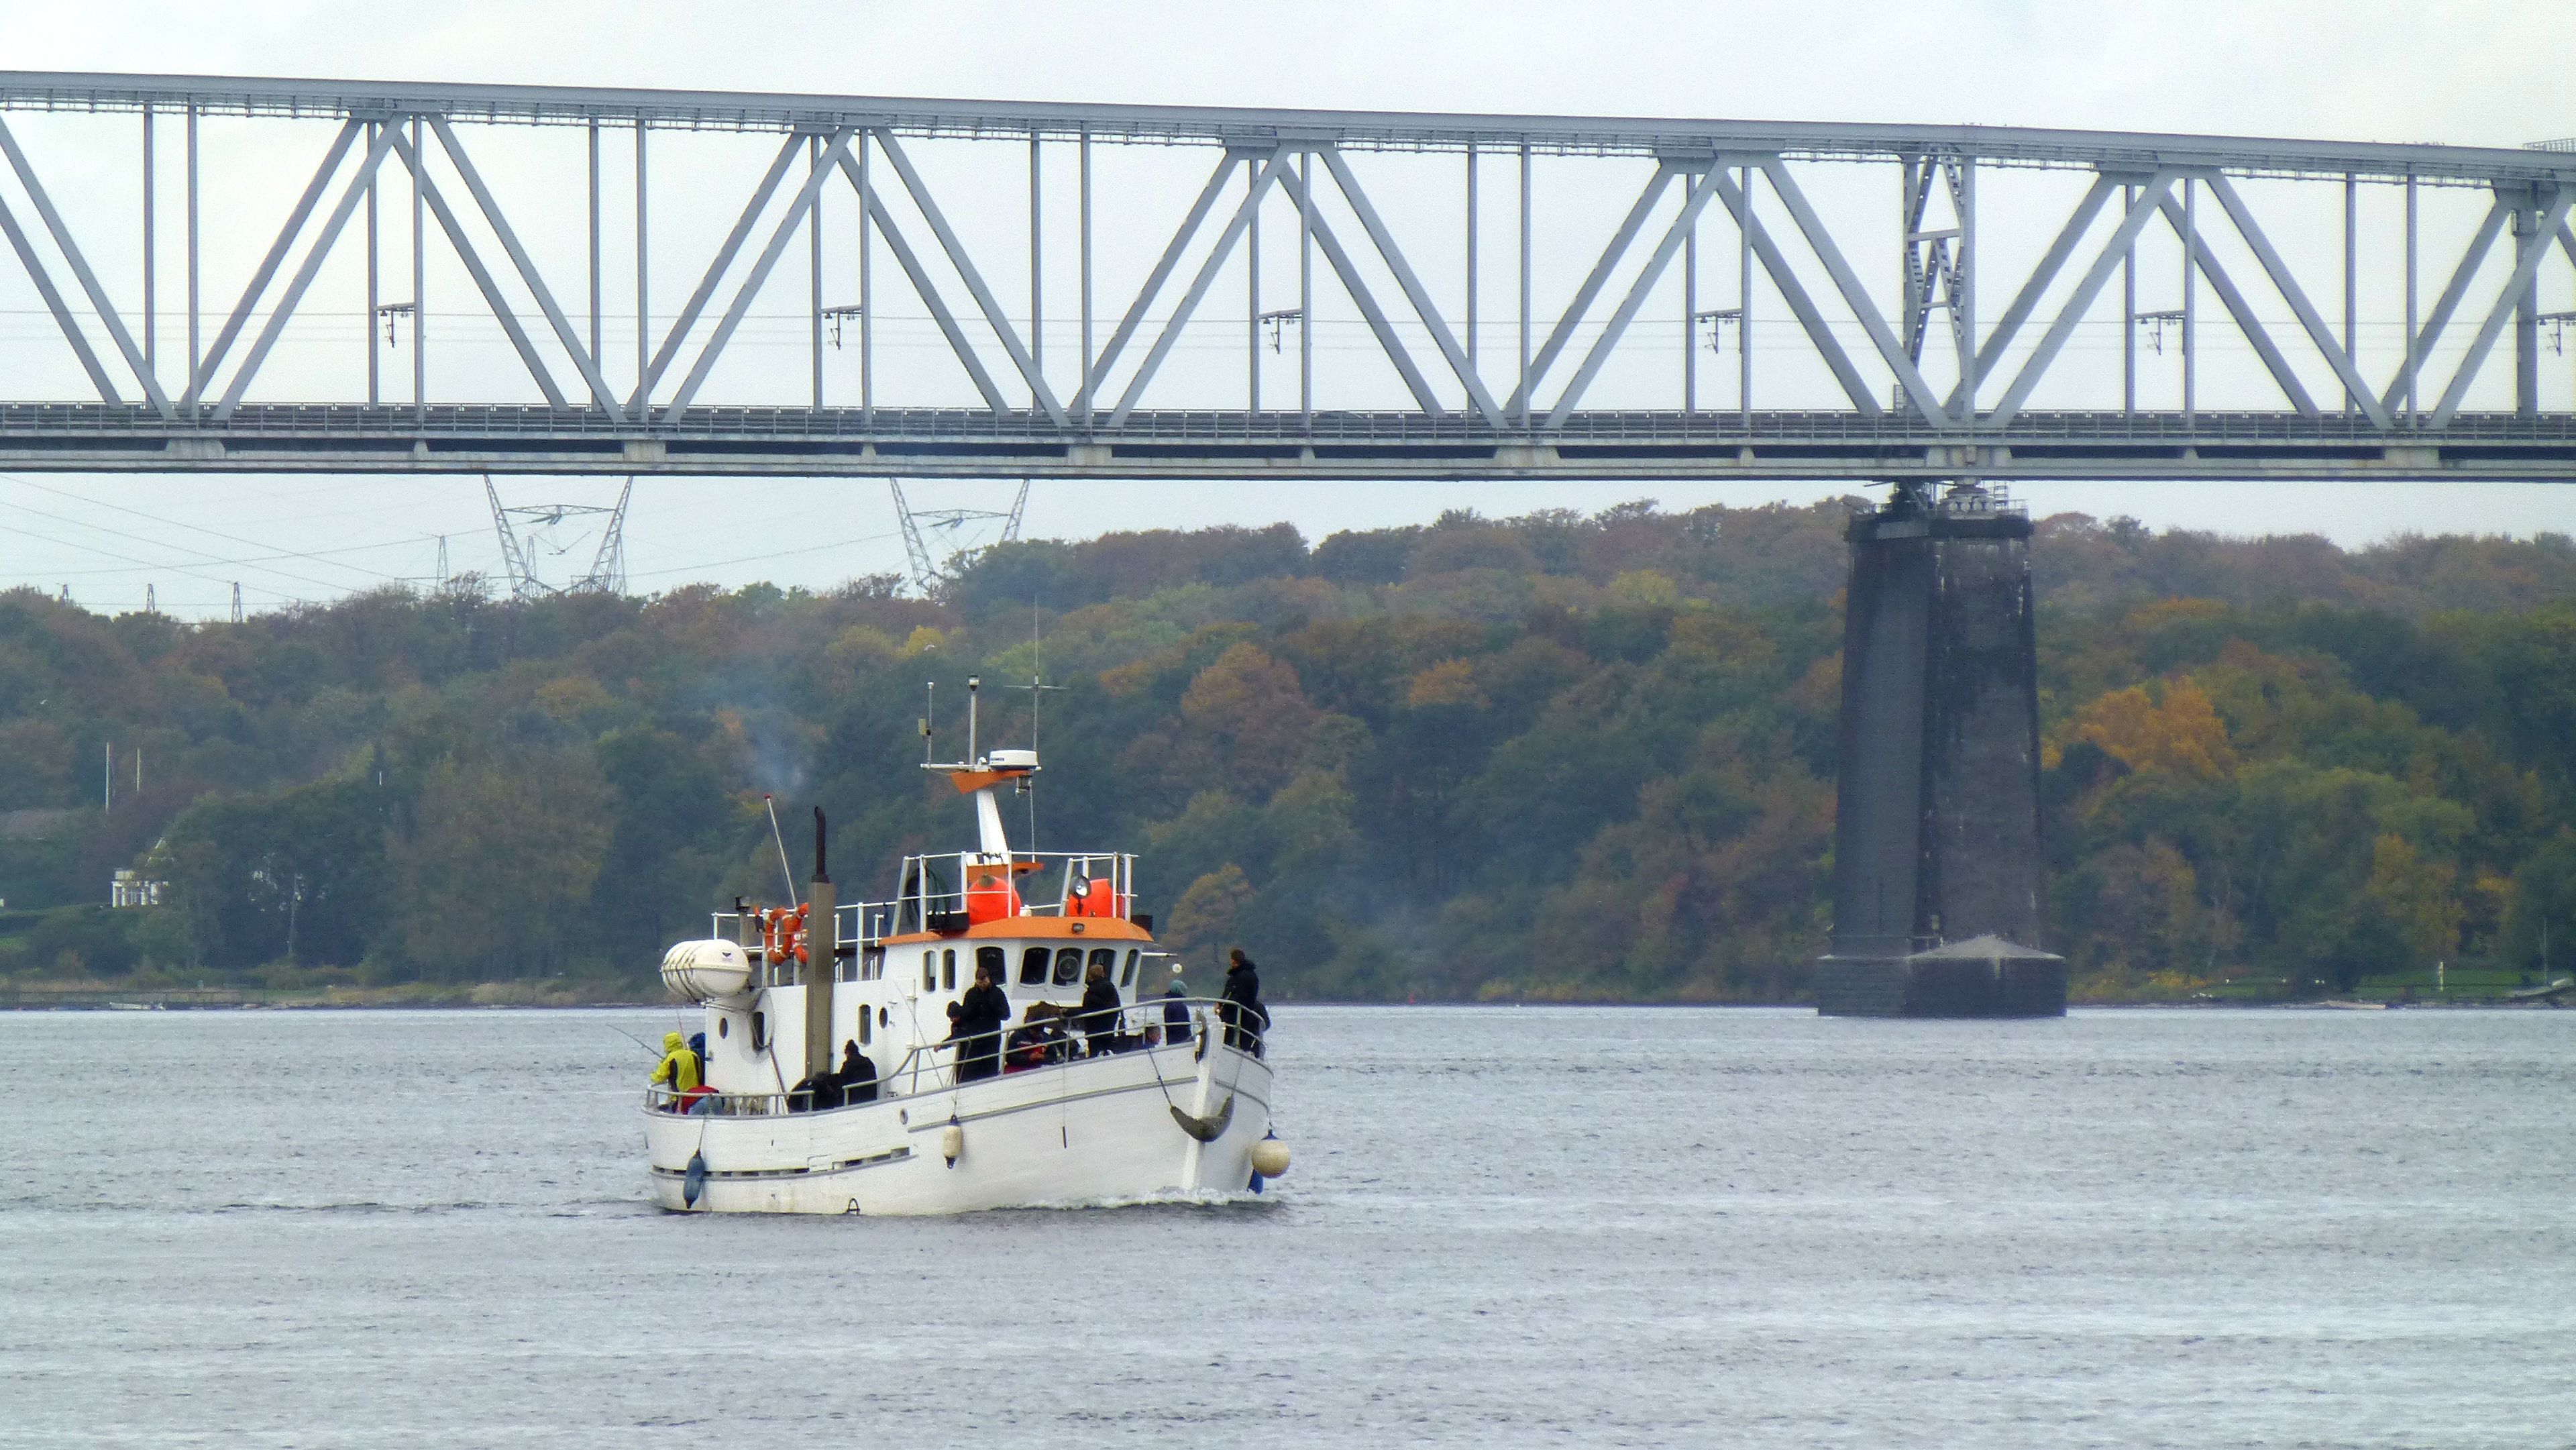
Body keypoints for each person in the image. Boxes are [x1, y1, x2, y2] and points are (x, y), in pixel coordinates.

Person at [954, 962, 1010, 1081]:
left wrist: (992, 1006)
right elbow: (966, 1015)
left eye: (984, 980)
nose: (982, 983)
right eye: (979, 981)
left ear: (988, 978)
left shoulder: (997, 993)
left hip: (991, 1038)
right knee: (972, 1069)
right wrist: (972, 1009)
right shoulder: (971, 994)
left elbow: (1006, 1014)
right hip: (975, 1038)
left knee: (989, 1069)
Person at [1219, 948, 1269, 1055]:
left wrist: (1222, 1007)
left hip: (1237, 1015)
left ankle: (1227, 1051)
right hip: (1248, 1016)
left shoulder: (1239, 977)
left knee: (1232, 1037)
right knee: (1245, 1040)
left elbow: (1236, 996)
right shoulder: (1252, 975)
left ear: (1233, 961)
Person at [1072, 960, 1127, 1056]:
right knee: (1107, 1054)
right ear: (1103, 974)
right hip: (1109, 1030)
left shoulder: (1091, 993)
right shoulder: (1111, 989)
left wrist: (1068, 1012)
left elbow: (1086, 1010)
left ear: (1090, 977)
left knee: (1095, 1055)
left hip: (1094, 1032)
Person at [650, 1031, 701, 1108]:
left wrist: (653, 1073)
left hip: (678, 1099)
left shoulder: (671, 1058)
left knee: (660, 1108)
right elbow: (699, 1074)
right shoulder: (693, 1055)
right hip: (695, 1097)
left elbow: (659, 1078)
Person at [837, 1039, 877, 1106]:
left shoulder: (848, 1064)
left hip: (853, 1099)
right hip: (871, 1097)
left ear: (848, 1053)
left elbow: (841, 1080)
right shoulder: (868, 1062)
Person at [1162, 974, 1191, 1049]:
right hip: (1181, 1040)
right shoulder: (1178, 1005)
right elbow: (1183, 1027)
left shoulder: (1169, 1003)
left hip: (1171, 1040)